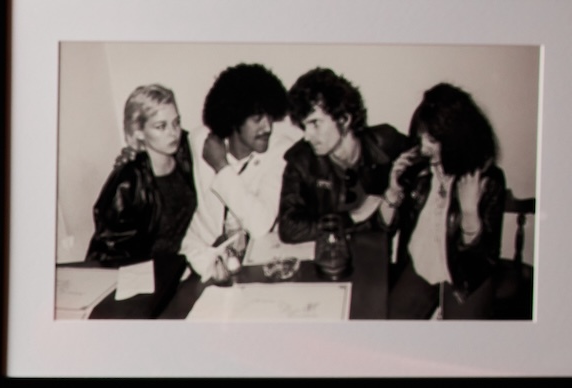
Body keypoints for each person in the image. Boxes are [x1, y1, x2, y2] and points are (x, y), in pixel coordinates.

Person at [385, 84, 506, 320]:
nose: (423, 148)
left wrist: (470, 212)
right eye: (421, 139)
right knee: (391, 321)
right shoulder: (418, 171)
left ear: (455, 139)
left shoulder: (487, 179)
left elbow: (484, 257)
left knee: (461, 344)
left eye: (432, 140)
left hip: (465, 276)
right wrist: (393, 189)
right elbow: (388, 229)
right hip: (423, 263)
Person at [85, 84, 197, 317]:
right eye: (161, 126)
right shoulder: (126, 182)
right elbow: (109, 255)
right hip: (139, 287)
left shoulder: (183, 152)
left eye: (176, 122)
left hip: (176, 271)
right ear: (138, 132)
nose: (173, 132)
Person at [183, 63, 290, 284]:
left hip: (256, 268)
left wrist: (221, 167)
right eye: (257, 118)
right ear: (233, 118)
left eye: (270, 117)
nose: (268, 127)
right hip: (201, 265)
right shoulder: (199, 141)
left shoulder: (281, 152)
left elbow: (261, 225)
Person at [278, 68, 409, 246]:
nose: (307, 136)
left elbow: (423, 156)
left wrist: (393, 196)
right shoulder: (301, 161)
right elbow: (288, 228)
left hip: (374, 254)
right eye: (304, 126)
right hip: (329, 255)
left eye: (315, 123)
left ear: (344, 119)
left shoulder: (385, 143)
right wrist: (352, 217)